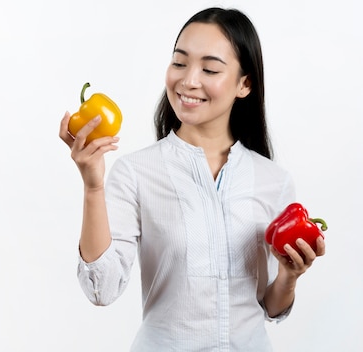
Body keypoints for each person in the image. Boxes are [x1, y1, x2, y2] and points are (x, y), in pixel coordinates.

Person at [58, 7, 325, 351]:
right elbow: (101, 289)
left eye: (210, 68)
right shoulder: (136, 172)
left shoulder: (273, 180)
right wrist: (93, 186)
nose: (188, 80)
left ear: (245, 84)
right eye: (180, 63)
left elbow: (270, 306)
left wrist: (289, 277)